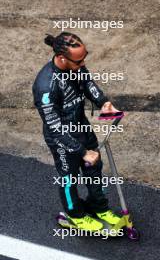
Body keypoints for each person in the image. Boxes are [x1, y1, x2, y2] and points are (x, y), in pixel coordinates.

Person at [32, 32, 121, 232]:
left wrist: (103, 103)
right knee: (68, 177)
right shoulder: (45, 86)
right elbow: (54, 128)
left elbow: (88, 83)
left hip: (81, 127)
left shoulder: (76, 66)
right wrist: (82, 152)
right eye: (79, 61)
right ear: (62, 58)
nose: (83, 64)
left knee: (94, 169)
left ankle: (98, 206)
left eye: (84, 58)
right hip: (62, 140)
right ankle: (75, 214)